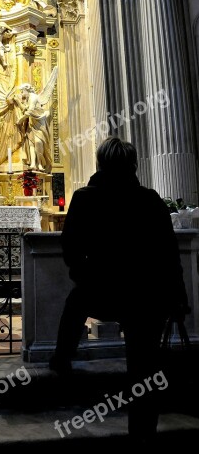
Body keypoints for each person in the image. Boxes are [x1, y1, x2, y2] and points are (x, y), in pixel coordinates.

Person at [50, 136, 189, 446]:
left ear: (99, 164)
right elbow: (169, 254)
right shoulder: (150, 199)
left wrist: (83, 273)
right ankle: (142, 435)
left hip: (103, 289)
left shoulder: (85, 197)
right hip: (146, 295)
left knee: (75, 303)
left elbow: (70, 247)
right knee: (144, 370)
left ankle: (62, 357)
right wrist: (178, 297)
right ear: (133, 165)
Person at [13, 83, 53, 172]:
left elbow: (30, 111)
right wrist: (18, 102)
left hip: (39, 122)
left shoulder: (33, 97)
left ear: (27, 90)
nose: (22, 94)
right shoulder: (28, 99)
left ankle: (40, 163)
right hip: (32, 122)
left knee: (39, 142)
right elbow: (25, 109)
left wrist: (21, 120)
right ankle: (33, 164)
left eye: (22, 91)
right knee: (31, 143)